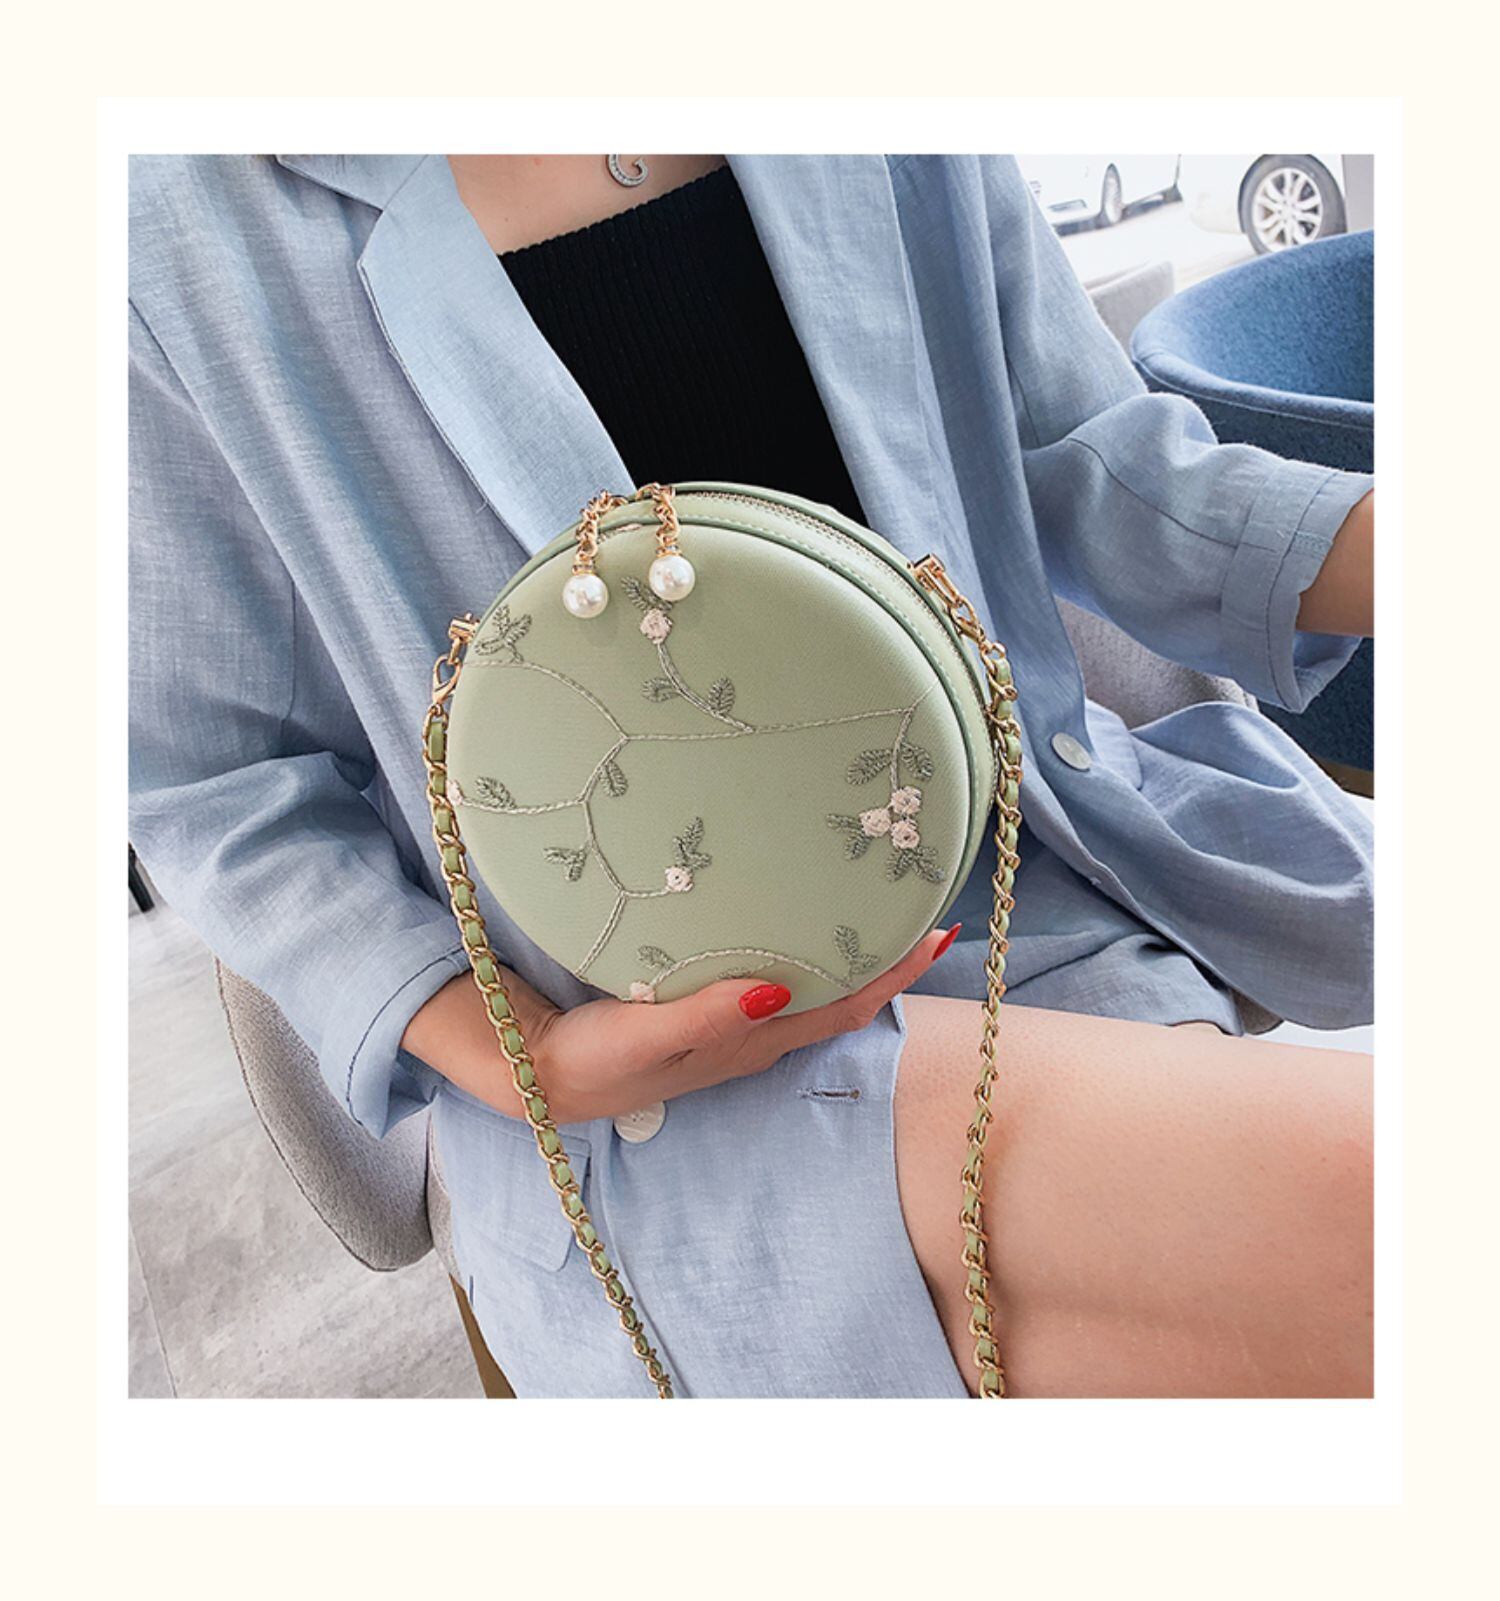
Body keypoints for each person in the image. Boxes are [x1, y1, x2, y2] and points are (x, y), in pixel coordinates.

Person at [129, 153, 1374, 1398]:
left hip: (1021, 910)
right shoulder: (172, 232)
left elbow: (1097, 464)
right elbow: (213, 783)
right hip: (655, 1090)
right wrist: (522, 1052)